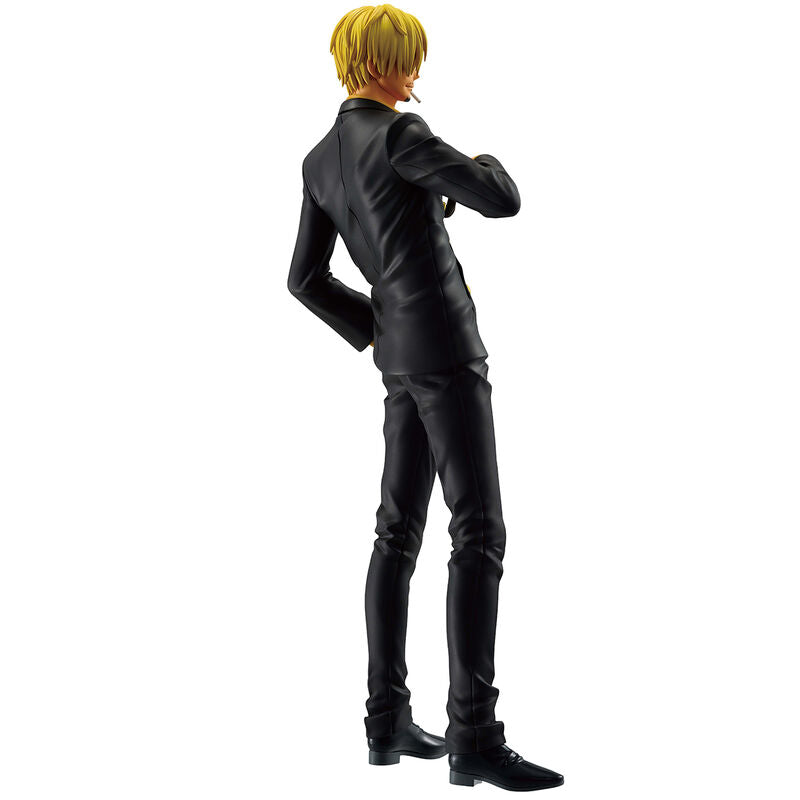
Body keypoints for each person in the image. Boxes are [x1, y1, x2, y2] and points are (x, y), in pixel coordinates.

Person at [287, 4, 563, 791]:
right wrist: (482, 158)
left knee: (395, 532)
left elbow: (304, 279)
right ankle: (474, 734)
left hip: (399, 361)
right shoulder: (403, 134)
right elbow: (501, 198)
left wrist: (377, 329)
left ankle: (386, 721)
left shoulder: (319, 158)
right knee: (479, 532)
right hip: (446, 347)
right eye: (410, 58)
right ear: (382, 64)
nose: (418, 72)